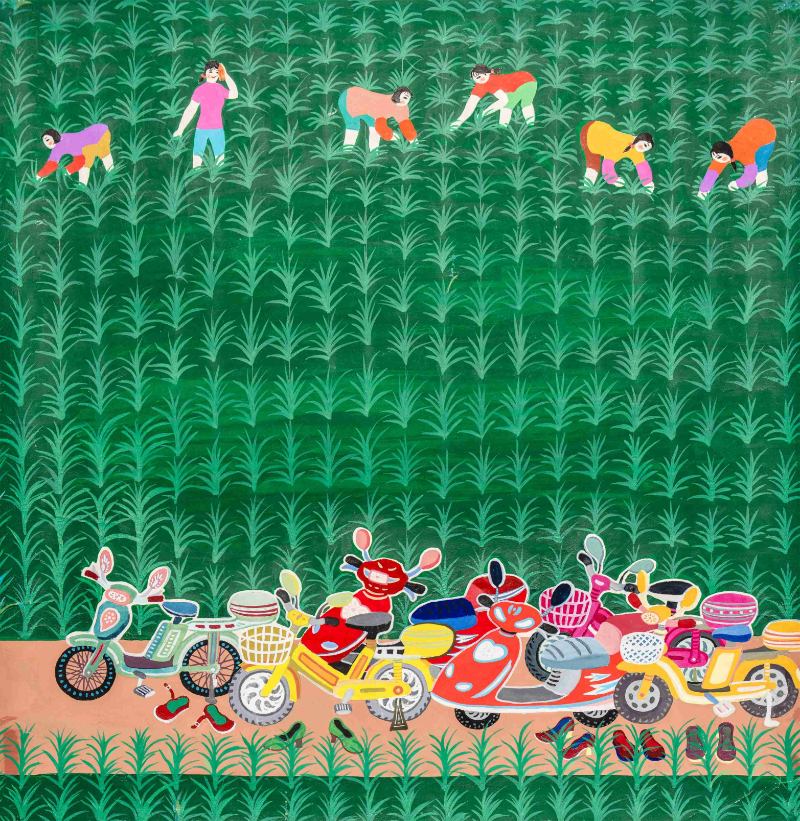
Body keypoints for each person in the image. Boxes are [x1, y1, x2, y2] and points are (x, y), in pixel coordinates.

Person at [174, 60, 238, 167]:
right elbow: (191, 110)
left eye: (216, 72)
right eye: (210, 71)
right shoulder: (200, 90)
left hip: (217, 129)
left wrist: (225, 74)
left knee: (220, 160)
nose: (213, 74)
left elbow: (235, 94)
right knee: (197, 160)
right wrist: (180, 129)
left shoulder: (220, 89)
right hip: (201, 129)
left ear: (219, 74)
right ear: (205, 73)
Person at [697, 118, 776, 199]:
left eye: (720, 158)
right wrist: (703, 190)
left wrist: (737, 184)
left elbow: (750, 176)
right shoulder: (722, 153)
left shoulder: (745, 154)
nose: (718, 160)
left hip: (767, 135)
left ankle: (762, 184)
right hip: (753, 127)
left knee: (760, 162)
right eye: (716, 158)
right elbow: (713, 170)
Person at [450, 64, 538, 130]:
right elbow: (470, 105)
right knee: (506, 107)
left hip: (526, 80)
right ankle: (503, 128)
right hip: (511, 89)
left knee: (526, 103)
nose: (480, 78)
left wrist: (483, 114)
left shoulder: (492, 82)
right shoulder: (480, 86)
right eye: (476, 77)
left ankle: (531, 125)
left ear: (487, 73)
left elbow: (503, 100)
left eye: (480, 75)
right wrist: (459, 121)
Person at [579, 121, 655, 191]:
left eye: (646, 148)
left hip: (600, 140)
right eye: (645, 145)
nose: (643, 148)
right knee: (593, 163)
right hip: (591, 131)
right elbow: (607, 165)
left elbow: (642, 166)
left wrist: (648, 183)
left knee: (593, 164)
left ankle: (587, 188)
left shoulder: (637, 152)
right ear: (640, 138)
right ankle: (587, 188)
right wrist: (614, 180)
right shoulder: (621, 143)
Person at [338, 86, 417, 152]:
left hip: (367, 108)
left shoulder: (403, 108)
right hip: (350, 98)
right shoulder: (385, 104)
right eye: (405, 97)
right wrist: (391, 136)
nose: (405, 101)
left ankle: (374, 154)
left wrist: (413, 141)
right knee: (353, 127)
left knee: (373, 128)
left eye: (408, 99)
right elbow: (380, 127)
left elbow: (405, 124)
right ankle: (347, 151)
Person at [36, 124, 113, 185]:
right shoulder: (57, 148)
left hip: (100, 133)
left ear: (54, 137)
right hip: (88, 143)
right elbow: (52, 164)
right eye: (44, 141)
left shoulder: (66, 142)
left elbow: (80, 161)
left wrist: (67, 170)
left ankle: (112, 174)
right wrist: (39, 176)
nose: (46, 143)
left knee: (99, 157)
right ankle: (82, 187)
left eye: (47, 140)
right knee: (86, 163)